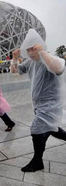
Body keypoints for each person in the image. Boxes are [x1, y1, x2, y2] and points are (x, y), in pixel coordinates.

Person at [10, 28, 66, 172]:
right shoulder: (30, 62)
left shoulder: (49, 58)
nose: (30, 52)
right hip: (39, 104)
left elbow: (59, 68)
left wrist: (42, 52)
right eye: (27, 50)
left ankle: (37, 162)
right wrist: (15, 58)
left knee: (36, 129)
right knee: (50, 128)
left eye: (32, 49)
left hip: (51, 104)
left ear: (39, 46)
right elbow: (15, 71)